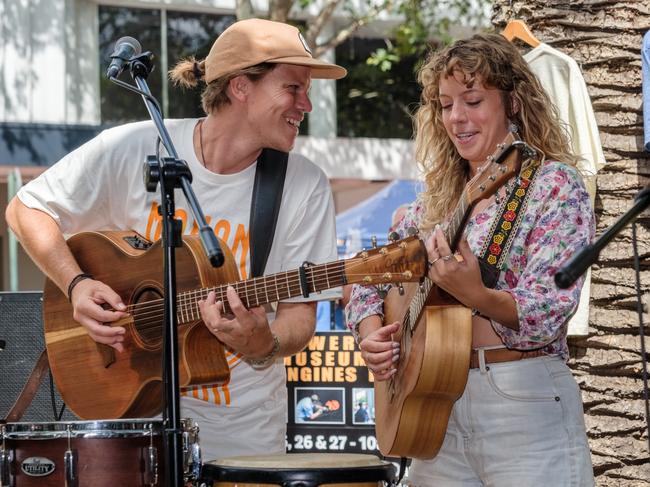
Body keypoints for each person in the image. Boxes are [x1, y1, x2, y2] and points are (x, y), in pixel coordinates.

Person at [6, 18, 346, 460]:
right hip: (128, 421)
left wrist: (264, 342)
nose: (307, 105)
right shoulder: (133, 148)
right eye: (293, 89)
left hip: (242, 436)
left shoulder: (303, 185)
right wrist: (76, 284)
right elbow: (26, 208)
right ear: (241, 87)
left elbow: (299, 319)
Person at [346, 33, 595, 486]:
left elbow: (549, 310)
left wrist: (477, 295)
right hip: (434, 402)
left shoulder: (554, 187)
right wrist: (371, 336)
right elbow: (368, 279)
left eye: (473, 100)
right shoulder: (432, 203)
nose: (456, 117)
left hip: (522, 400)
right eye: (445, 105)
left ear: (513, 103)